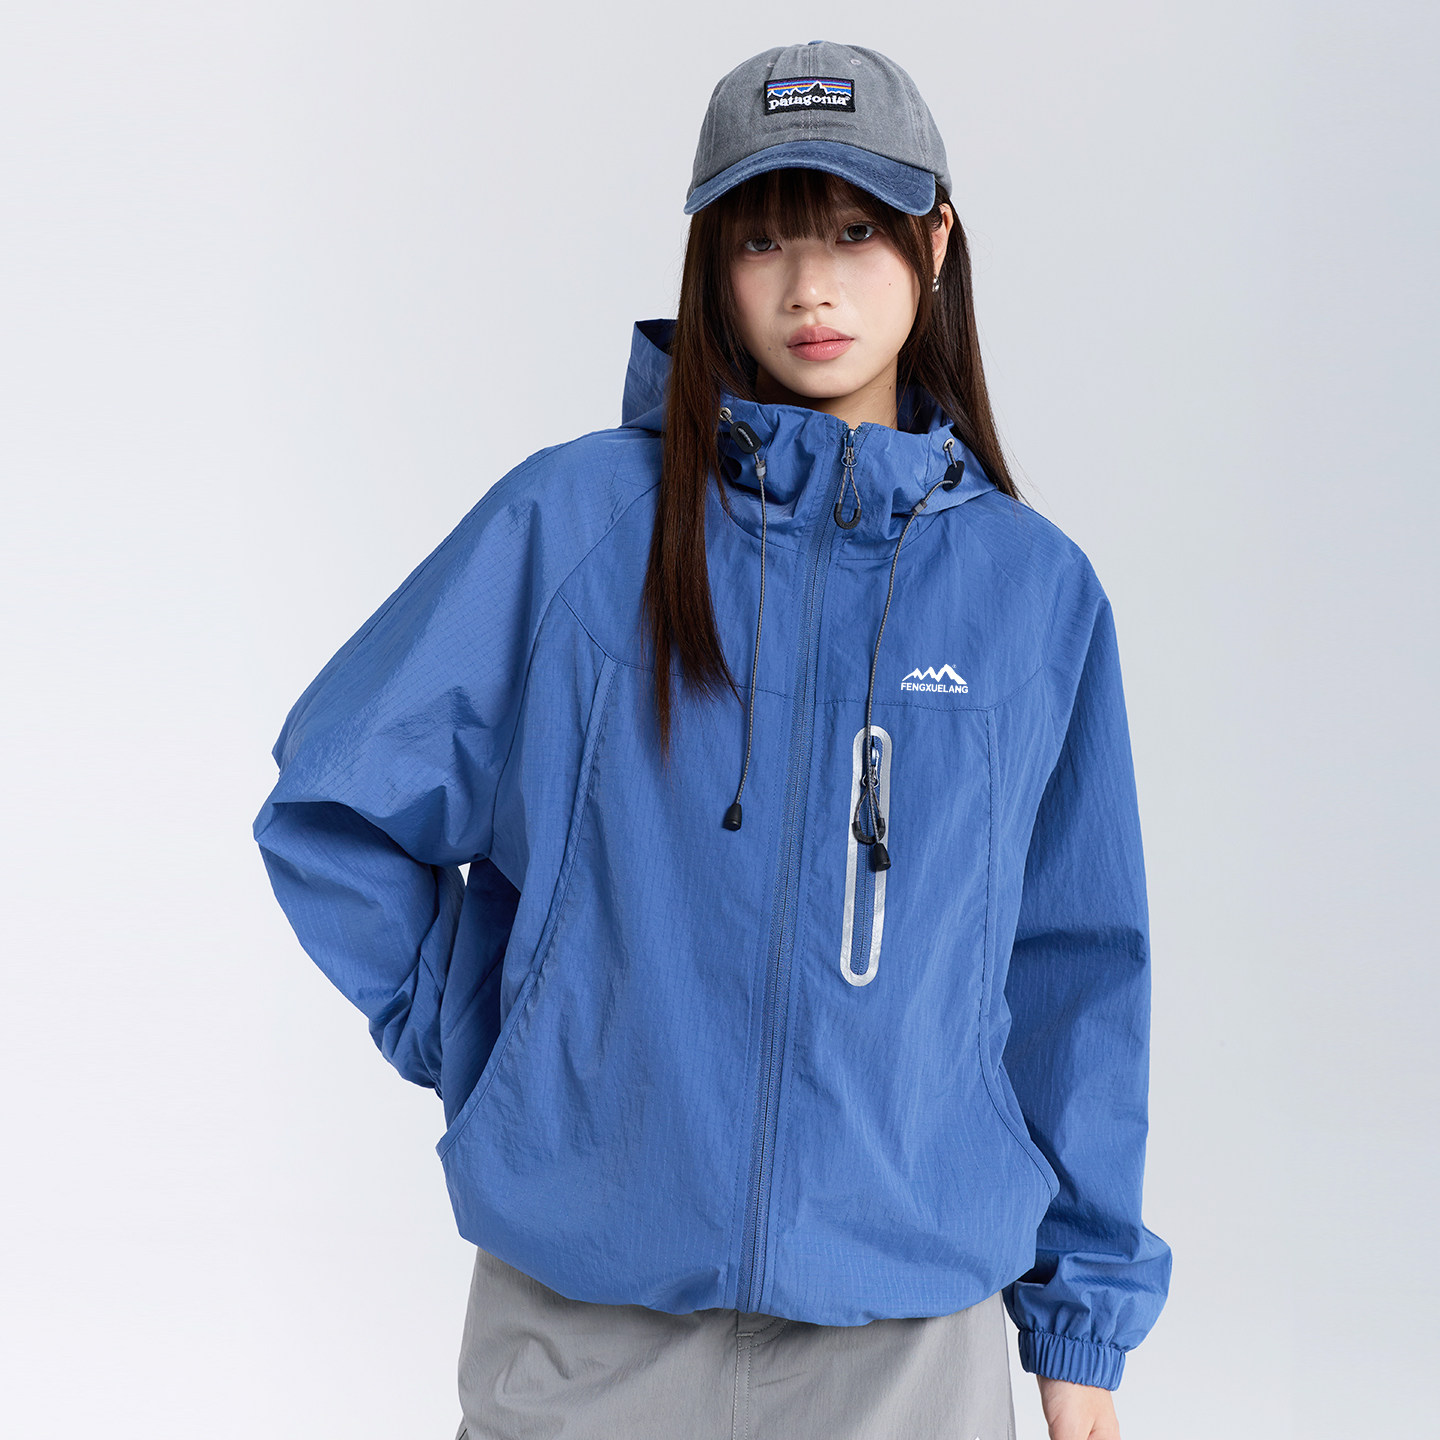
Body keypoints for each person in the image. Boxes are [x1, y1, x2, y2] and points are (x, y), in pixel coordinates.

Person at [254, 39, 1172, 1440]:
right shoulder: (576, 526)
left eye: (853, 232)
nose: (810, 287)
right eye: (763, 240)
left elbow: (1077, 968)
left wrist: (1081, 1331)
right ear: (710, 264)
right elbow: (336, 804)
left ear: (935, 240)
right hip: (587, 1324)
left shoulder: (1033, 594)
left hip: (903, 1341)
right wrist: (501, 1038)